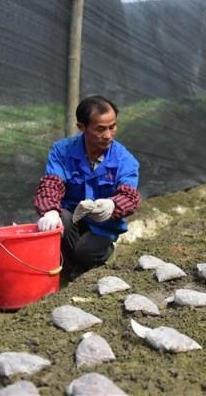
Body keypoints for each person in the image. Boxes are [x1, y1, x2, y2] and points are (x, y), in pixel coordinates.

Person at [34, 95, 140, 276]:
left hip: (103, 226)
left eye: (112, 127)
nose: (108, 135)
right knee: (60, 221)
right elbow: (52, 183)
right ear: (82, 127)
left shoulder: (124, 160)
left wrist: (113, 205)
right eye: (100, 129)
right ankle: (71, 266)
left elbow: (129, 196)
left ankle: (103, 255)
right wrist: (50, 210)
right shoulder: (63, 151)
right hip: (72, 218)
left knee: (85, 253)